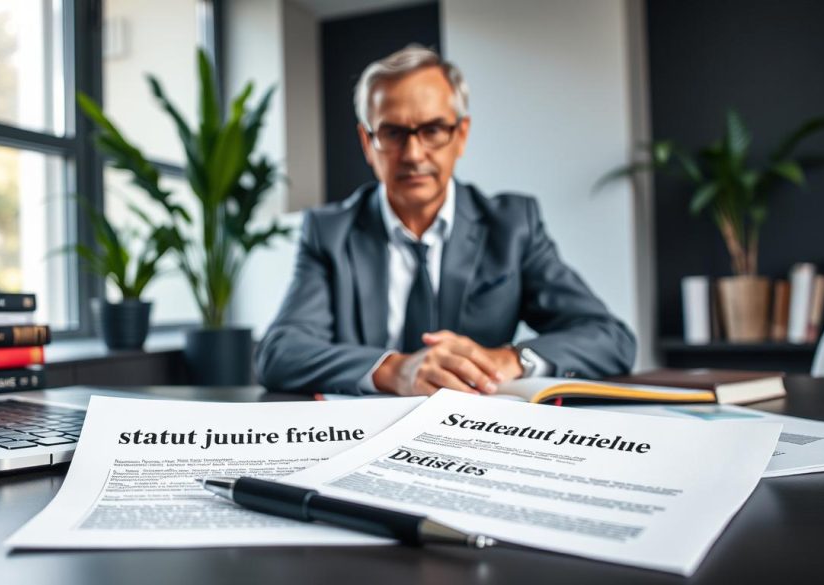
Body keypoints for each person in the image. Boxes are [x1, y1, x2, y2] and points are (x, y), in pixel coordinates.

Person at [256, 46, 635, 396]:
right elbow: (280, 352)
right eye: (392, 133)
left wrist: (509, 359)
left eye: (433, 130)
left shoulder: (513, 225)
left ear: (461, 134)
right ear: (366, 142)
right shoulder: (330, 232)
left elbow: (610, 337)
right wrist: (395, 370)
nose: (413, 153)